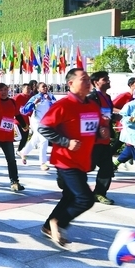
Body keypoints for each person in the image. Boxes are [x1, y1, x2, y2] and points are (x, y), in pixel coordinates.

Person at [38, 68, 108, 248]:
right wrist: (65, 142)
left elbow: (97, 128)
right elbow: (44, 128)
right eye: (83, 79)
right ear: (71, 84)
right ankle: (59, 223)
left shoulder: (92, 105)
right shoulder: (63, 105)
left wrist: (102, 132)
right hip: (66, 160)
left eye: (88, 80)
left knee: (69, 196)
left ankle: (48, 226)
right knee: (85, 199)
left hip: (82, 160)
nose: (88, 83)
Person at [87, 71, 119, 205]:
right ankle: (65, 180)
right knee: (87, 167)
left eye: (108, 79)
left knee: (107, 168)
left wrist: (113, 118)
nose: (108, 81)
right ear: (96, 82)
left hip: (105, 140)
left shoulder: (108, 97)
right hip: (93, 140)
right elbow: (89, 115)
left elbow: (107, 114)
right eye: (105, 79)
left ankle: (99, 193)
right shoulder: (92, 97)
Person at [18, 82, 57, 171]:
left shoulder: (50, 96)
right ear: (38, 89)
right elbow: (24, 110)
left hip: (46, 122)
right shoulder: (35, 97)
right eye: (43, 87)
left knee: (35, 139)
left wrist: (50, 100)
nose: (45, 88)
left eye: (46, 86)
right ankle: (42, 163)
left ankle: (23, 152)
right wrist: (34, 103)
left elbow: (57, 106)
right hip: (36, 121)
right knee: (44, 139)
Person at [13, 83, 33, 153]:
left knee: (25, 138)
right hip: (18, 121)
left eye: (30, 89)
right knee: (19, 136)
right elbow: (11, 105)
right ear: (22, 89)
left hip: (26, 122)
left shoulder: (30, 98)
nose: (28, 90)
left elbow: (31, 110)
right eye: (27, 89)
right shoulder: (17, 97)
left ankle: (19, 151)